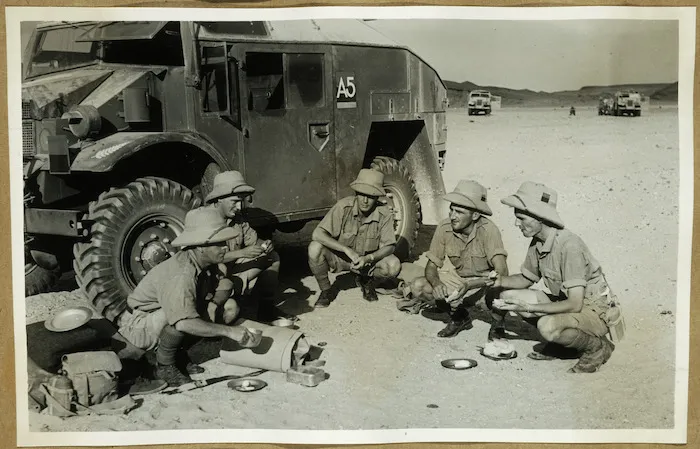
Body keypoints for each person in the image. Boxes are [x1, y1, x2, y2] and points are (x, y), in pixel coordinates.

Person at [116, 207, 262, 386]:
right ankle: (164, 366)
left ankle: (177, 356)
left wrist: (215, 303)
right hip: (138, 326)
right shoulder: (182, 273)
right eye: (219, 243)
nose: (225, 248)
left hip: (155, 316)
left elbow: (222, 287)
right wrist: (230, 332)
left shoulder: (202, 262)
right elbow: (183, 322)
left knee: (202, 308)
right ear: (201, 246)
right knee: (183, 317)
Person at [491, 181, 616, 373]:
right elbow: (526, 279)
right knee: (508, 297)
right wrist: (498, 281)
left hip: (593, 310)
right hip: (568, 303)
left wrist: (529, 308)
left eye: (521, 218)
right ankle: (563, 345)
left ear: (539, 218)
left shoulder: (569, 245)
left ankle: (596, 347)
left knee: (547, 326)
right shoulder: (538, 242)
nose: (517, 223)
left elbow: (575, 304)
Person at [408, 180, 509, 338]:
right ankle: (460, 317)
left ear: (475, 215)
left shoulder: (489, 231)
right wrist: (437, 284)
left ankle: (498, 324)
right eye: (451, 210)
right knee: (418, 286)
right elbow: (431, 266)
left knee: (500, 293)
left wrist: (471, 285)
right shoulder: (444, 228)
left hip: (483, 283)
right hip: (459, 279)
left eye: (459, 212)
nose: (453, 216)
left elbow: (501, 272)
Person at [205, 170, 291, 322]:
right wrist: (242, 253)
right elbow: (205, 258)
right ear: (219, 200)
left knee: (272, 257)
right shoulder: (203, 221)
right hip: (212, 284)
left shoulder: (238, 218)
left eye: (241, 201)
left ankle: (266, 310)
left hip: (231, 274)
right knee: (229, 313)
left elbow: (253, 241)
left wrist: (264, 244)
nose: (239, 206)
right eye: (234, 202)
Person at [308, 168, 401, 308]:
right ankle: (326, 291)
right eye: (361, 194)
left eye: (370, 196)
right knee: (314, 248)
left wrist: (369, 258)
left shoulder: (384, 213)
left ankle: (367, 280)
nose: (364, 200)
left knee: (393, 265)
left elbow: (390, 246)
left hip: (367, 262)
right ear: (356, 193)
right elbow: (317, 234)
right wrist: (346, 250)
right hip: (342, 258)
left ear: (377, 198)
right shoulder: (343, 206)